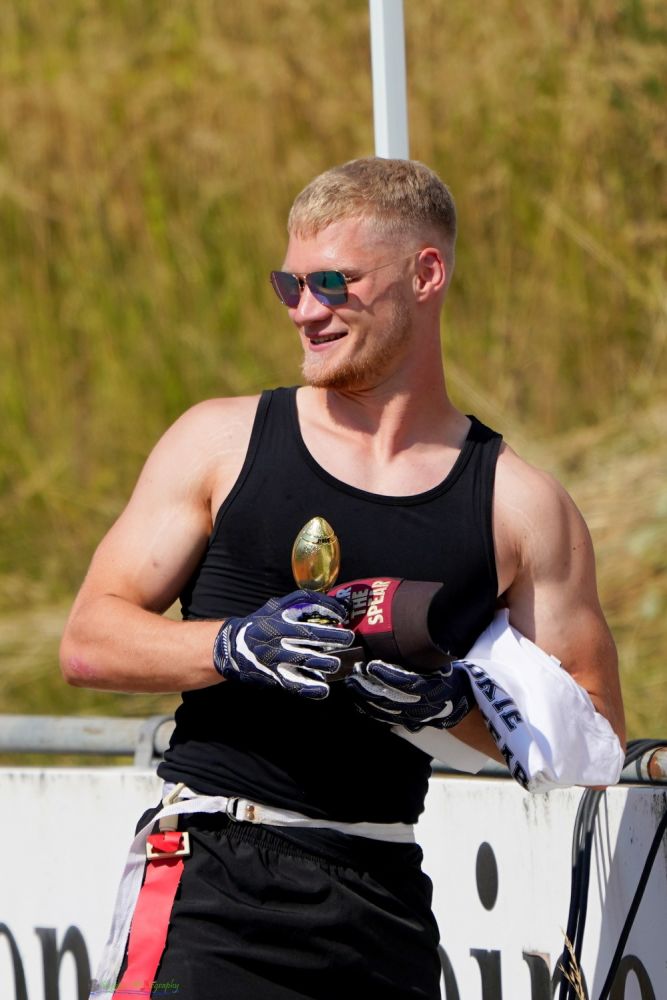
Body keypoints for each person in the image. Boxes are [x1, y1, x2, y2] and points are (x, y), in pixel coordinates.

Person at [60, 157, 625, 1000]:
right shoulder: (220, 441)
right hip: (212, 877)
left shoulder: (519, 505)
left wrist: (453, 711)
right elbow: (88, 641)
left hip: (383, 897)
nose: (305, 309)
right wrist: (235, 646)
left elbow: (596, 741)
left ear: (425, 275)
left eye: (334, 282)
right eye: (289, 284)